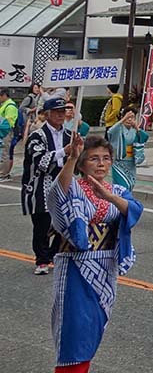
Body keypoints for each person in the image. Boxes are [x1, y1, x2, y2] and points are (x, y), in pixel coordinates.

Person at [48, 132, 142, 373]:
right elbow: (58, 193)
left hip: (106, 265)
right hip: (76, 265)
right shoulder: (73, 186)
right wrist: (71, 158)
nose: (101, 164)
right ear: (82, 164)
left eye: (106, 158)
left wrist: (108, 196)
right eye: (93, 159)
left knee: (94, 328)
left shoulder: (117, 189)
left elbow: (133, 210)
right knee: (74, 330)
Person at [22, 95, 76, 275]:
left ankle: (53, 254)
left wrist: (77, 154)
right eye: (56, 112)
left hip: (63, 183)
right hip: (40, 184)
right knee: (42, 224)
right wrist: (64, 151)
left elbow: (76, 161)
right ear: (47, 114)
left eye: (63, 111)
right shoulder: (37, 136)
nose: (60, 115)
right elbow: (40, 161)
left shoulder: (70, 135)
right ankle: (42, 259)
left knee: (66, 221)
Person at [107, 108, 148, 191]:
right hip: (119, 162)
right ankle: (120, 198)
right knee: (121, 185)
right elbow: (110, 132)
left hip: (131, 162)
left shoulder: (135, 130)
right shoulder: (118, 128)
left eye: (132, 117)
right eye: (127, 117)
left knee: (130, 184)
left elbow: (145, 137)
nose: (129, 119)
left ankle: (126, 198)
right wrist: (123, 120)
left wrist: (136, 127)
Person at [0, 87, 19, 181]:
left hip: (5, 132)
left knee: (5, 153)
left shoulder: (10, 106)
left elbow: (9, 122)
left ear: (4, 95)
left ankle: (3, 174)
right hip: (2, 132)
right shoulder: (5, 105)